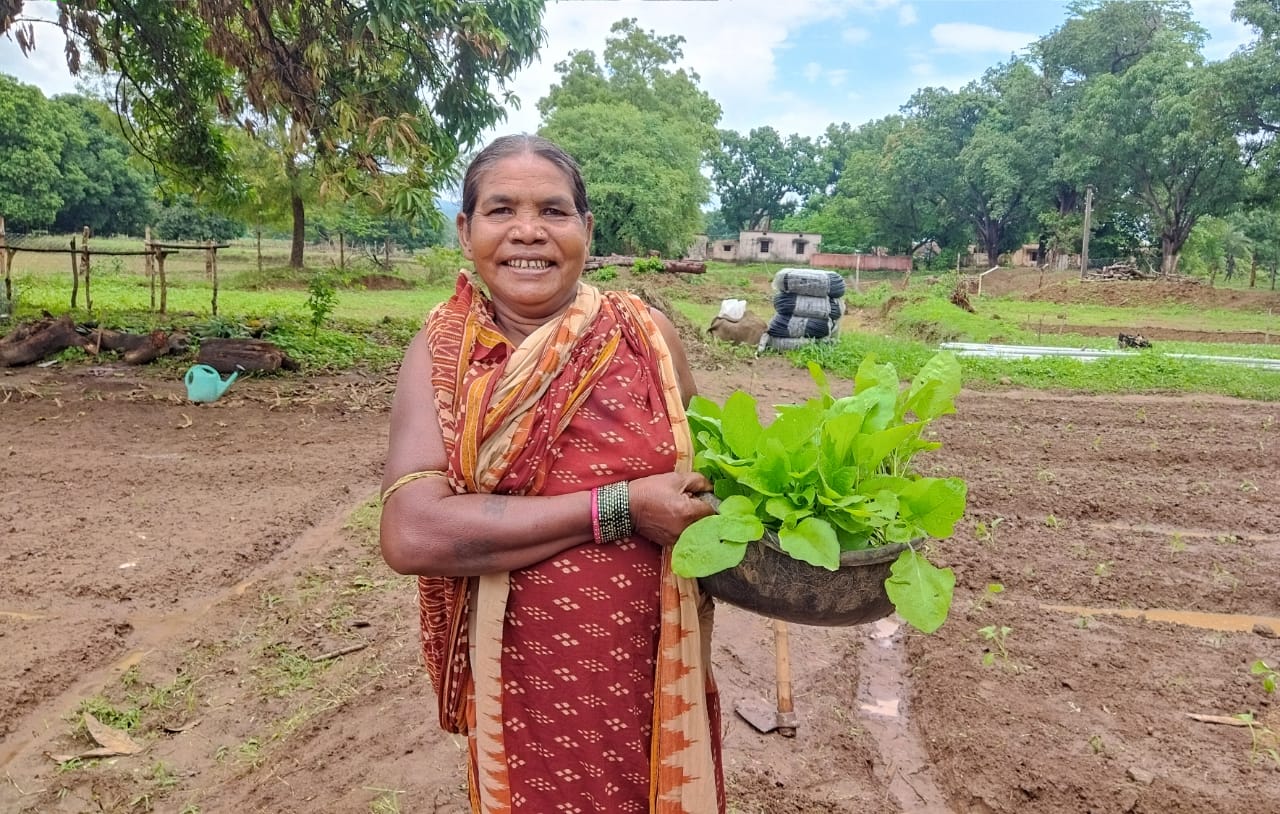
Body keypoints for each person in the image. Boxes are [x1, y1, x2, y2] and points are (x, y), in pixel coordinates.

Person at [378, 134, 725, 813]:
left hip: (656, 667)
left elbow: (714, 479)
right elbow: (412, 532)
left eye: (554, 212)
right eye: (501, 210)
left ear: (586, 229)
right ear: (466, 229)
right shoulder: (445, 353)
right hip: (521, 680)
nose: (528, 232)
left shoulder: (645, 334)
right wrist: (619, 507)